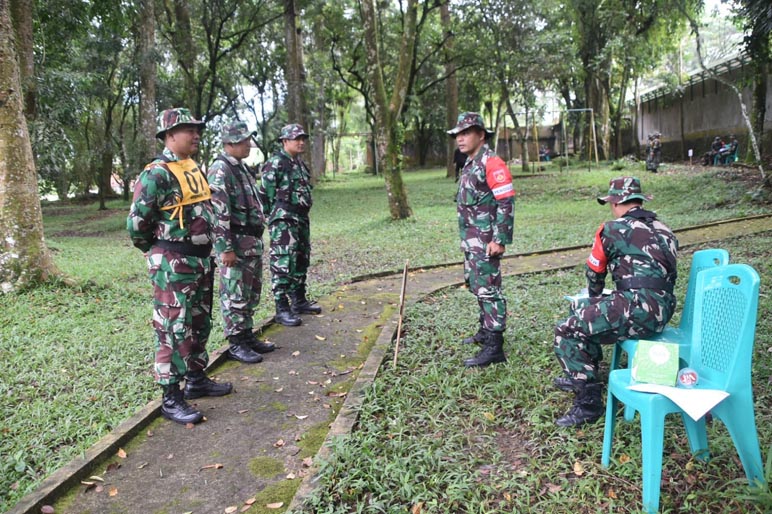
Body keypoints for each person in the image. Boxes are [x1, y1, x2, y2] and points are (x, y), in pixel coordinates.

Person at [127, 107, 232, 425]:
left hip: (199, 261)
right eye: (189, 129)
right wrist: (157, 252)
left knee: (199, 323)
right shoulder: (156, 173)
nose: (196, 133)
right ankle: (171, 397)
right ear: (169, 136)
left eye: (197, 128)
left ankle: (197, 379)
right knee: (172, 328)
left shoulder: (193, 168)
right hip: (173, 264)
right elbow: (136, 225)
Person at [552, 176, 678, 427]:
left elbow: (595, 273)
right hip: (663, 311)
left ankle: (588, 403)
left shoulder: (610, 229)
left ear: (617, 202)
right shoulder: (666, 230)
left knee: (568, 328)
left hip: (636, 307)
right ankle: (583, 372)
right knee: (589, 315)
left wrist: (593, 298)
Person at [448, 112, 515, 368]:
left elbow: (505, 202)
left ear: (481, 135)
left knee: (489, 289)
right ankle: (485, 331)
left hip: (486, 240)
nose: (460, 139)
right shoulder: (470, 162)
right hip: (472, 240)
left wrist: (499, 239)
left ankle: (495, 345)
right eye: (458, 135)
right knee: (478, 285)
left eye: (466, 133)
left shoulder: (492, 163)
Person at [207, 121, 275, 364]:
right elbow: (218, 212)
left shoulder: (241, 168)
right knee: (234, 295)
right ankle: (236, 342)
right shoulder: (221, 169)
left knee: (249, 293)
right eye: (244, 140)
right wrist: (224, 248)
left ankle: (247, 336)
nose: (249, 144)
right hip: (235, 243)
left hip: (250, 242)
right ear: (230, 143)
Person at [258, 123, 321, 327]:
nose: (301, 142)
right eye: (296, 139)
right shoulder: (276, 163)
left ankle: (299, 300)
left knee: (301, 259)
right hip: (284, 221)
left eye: (303, 138)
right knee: (283, 262)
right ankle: (281, 308)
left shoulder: (300, 164)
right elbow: (264, 196)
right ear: (285, 141)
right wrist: (274, 218)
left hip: (301, 219)